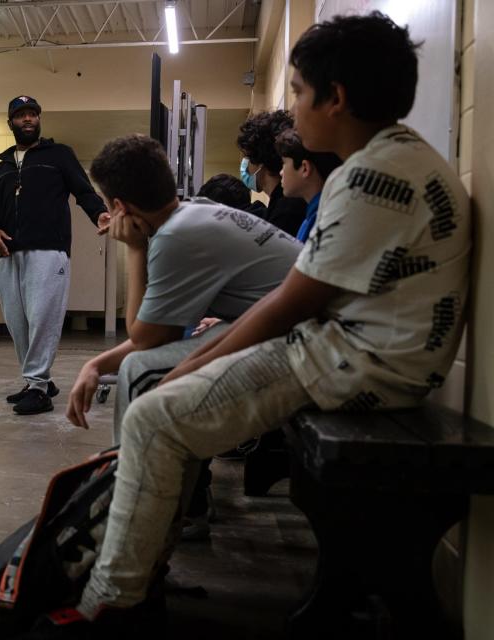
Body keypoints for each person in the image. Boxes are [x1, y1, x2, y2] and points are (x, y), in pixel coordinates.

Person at [36, 12, 472, 636]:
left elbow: (292, 303)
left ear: (336, 98)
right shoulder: (395, 160)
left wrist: (191, 365)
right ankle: (136, 561)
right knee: (162, 387)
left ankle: (113, 600)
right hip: (365, 351)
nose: (291, 109)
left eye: (297, 91)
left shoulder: (372, 176)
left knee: (156, 411)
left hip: (356, 363)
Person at [66, 136, 300, 539]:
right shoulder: (195, 212)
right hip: (282, 325)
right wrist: (96, 363)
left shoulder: (175, 238)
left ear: (119, 206)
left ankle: (133, 516)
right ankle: (178, 510)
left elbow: (144, 338)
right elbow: (165, 333)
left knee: (142, 373)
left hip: (298, 340)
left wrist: (134, 250)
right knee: (154, 364)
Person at [0, 95, 110, 415]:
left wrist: (101, 214)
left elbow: (84, 191)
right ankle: (39, 380)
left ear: (39, 120)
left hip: (48, 252)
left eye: (32, 115)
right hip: (9, 255)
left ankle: (38, 387)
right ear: (10, 122)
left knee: (42, 320)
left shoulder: (59, 155)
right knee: (18, 324)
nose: (27, 120)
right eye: (20, 115)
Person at [237, 110, 308, 236]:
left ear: (259, 161)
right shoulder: (284, 203)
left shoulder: (285, 212)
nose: (244, 164)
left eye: (246, 157)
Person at [274, 128, 342, 241]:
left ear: (305, 168)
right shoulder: (314, 215)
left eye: (284, 164)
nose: (281, 173)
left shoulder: (321, 220)